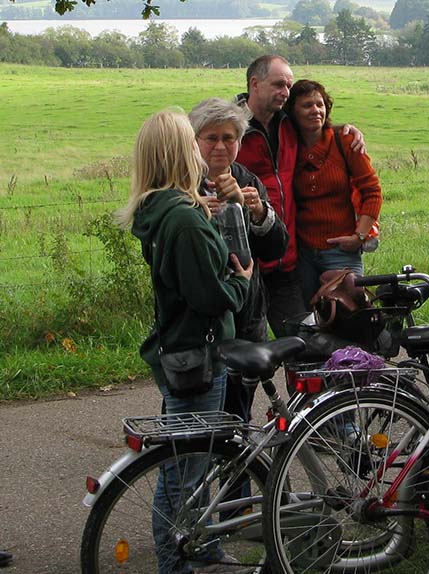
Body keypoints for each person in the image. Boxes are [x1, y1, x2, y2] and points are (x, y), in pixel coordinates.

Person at [116, 109, 252, 573]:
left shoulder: (158, 209)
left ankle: (205, 549)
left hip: (179, 346)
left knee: (195, 459)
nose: (203, 150)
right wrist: (242, 282)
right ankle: (175, 563)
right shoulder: (185, 219)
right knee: (184, 468)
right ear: (180, 152)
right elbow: (210, 295)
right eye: (194, 144)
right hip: (201, 352)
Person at [234, 55, 363, 336]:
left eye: (288, 86)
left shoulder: (287, 122)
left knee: (303, 345)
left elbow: (318, 124)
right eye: (279, 85)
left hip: (285, 262)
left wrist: (346, 131)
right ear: (254, 84)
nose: (285, 93)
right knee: (247, 357)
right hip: (244, 265)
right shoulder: (230, 128)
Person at [190, 97, 287, 427]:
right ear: (194, 141)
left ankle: (242, 481)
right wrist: (199, 208)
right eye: (211, 138)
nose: (220, 146)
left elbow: (276, 248)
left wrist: (259, 210)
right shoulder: (180, 184)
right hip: (199, 330)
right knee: (192, 427)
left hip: (246, 319)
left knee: (238, 423)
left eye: (229, 138)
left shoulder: (247, 179)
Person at [285, 80, 383, 304]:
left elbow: (373, 191)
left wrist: (359, 237)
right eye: (307, 105)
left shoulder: (345, 141)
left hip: (342, 252)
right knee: (311, 321)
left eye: (320, 104)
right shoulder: (288, 146)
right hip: (302, 254)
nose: (315, 110)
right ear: (292, 111)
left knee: (349, 315)